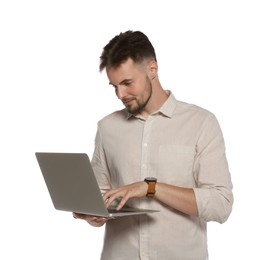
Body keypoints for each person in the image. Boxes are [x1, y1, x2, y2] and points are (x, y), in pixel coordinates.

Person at [73, 30, 233, 260]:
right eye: (114, 86)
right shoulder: (107, 128)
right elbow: (101, 198)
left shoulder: (201, 123)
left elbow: (221, 205)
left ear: (152, 70)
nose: (120, 94)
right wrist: (94, 215)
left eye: (127, 83)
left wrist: (151, 188)